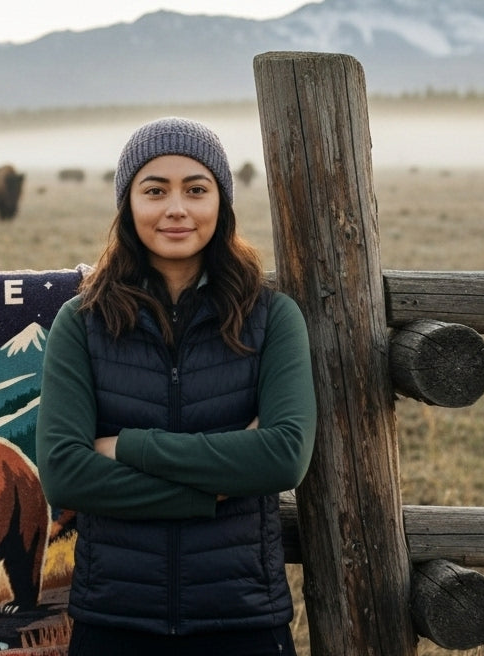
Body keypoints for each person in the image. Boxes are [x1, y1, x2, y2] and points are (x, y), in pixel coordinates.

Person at [36, 117, 317, 656]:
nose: (176, 209)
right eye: (154, 190)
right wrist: (213, 488)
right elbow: (66, 474)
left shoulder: (272, 319)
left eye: (196, 189)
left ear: (222, 204)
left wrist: (128, 447)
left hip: (241, 618)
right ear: (128, 206)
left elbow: (282, 457)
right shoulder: (83, 322)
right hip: (114, 619)